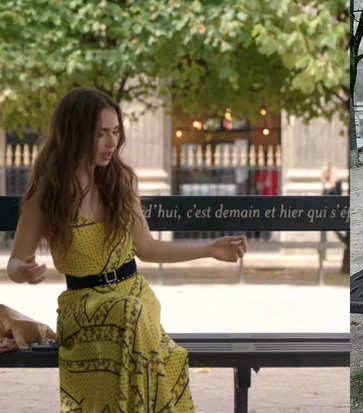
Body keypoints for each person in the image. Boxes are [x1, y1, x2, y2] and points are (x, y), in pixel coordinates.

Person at [7, 88, 247, 411]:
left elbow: (146, 248)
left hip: (135, 297)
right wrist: (23, 270)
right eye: (101, 133)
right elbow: (15, 262)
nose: (111, 142)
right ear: (76, 134)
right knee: (129, 316)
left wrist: (209, 249)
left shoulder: (120, 182)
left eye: (115, 132)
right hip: (84, 307)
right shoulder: (46, 194)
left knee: (145, 327)